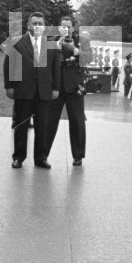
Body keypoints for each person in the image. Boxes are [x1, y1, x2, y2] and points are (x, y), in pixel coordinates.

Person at [4, 12, 60, 169]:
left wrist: (56, 88)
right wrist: (9, 87)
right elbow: (9, 66)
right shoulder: (17, 43)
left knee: (42, 127)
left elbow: (56, 68)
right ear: (28, 25)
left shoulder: (51, 45)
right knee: (21, 126)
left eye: (40, 23)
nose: (37, 26)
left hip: (44, 92)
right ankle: (18, 157)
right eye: (34, 23)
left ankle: (40, 158)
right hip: (23, 91)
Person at [46, 15, 87, 166]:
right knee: (49, 122)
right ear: (59, 28)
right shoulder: (52, 41)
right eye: (63, 27)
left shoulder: (82, 41)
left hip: (75, 87)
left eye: (68, 26)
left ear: (73, 27)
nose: (66, 29)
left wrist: (75, 50)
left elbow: (88, 58)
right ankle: (43, 155)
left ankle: (78, 156)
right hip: (56, 88)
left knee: (77, 122)